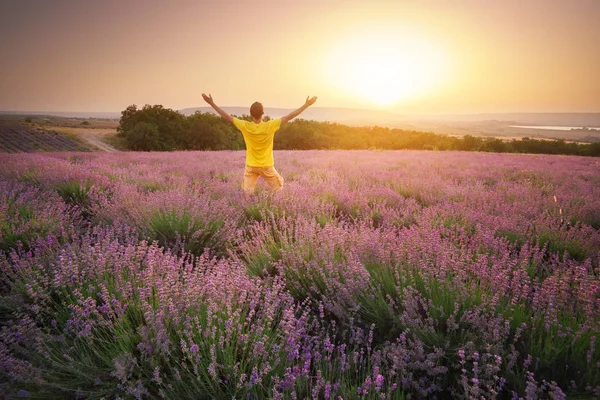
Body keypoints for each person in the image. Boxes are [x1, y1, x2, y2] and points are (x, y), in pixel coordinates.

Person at [202, 93, 317, 195]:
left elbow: (226, 116)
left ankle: (247, 214)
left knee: (246, 194)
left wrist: (212, 103)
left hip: (251, 166)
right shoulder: (270, 125)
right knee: (279, 189)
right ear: (263, 113)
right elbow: (290, 116)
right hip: (266, 165)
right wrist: (306, 105)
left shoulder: (245, 126)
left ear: (251, 114)